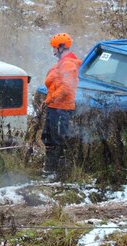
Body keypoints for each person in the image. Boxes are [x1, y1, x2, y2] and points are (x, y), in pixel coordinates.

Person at [42, 33, 82, 174]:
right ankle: (50, 170)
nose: (53, 51)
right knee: (49, 137)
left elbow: (66, 88)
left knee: (56, 140)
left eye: (54, 48)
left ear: (61, 47)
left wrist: (49, 99)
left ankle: (54, 172)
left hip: (61, 108)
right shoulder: (62, 63)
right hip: (55, 107)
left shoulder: (68, 64)